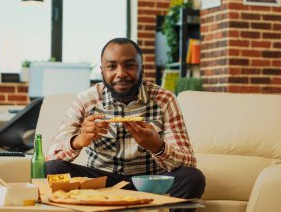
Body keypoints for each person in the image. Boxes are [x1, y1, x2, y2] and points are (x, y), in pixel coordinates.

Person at [46, 37, 205, 200]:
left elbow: (188, 162)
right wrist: (78, 141)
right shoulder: (86, 100)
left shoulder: (164, 100)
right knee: (53, 169)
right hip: (102, 183)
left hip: (150, 184)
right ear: (102, 71)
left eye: (129, 65)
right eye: (112, 66)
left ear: (142, 69)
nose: (121, 74)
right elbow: (50, 157)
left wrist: (158, 146)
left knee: (192, 177)